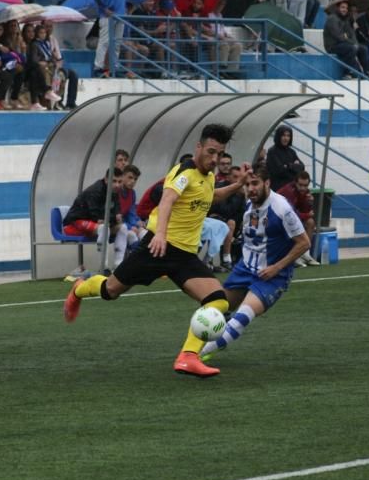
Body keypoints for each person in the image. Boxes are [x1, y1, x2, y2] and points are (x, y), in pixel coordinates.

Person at [63, 124, 252, 379]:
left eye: (219, 154)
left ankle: (188, 357)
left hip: (184, 256)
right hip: (157, 248)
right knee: (111, 291)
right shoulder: (184, 171)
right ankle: (79, 289)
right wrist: (161, 234)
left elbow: (210, 197)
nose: (215, 159)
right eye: (211, 152)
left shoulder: (207, 177)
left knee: (218, 300)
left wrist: (236, 185)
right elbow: (167, 200)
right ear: (198, 147)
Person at [198, 162, 311, 361]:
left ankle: (197, 357)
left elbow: (304, 243)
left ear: (267, 183)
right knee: (212, 311)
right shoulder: (248, 203)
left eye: (255, 184)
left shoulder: (282, 208)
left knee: (242, 317)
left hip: (271, 276)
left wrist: (277, 267)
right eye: (248, 184)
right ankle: (204, 345)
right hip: (244, 269)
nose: (251, 189)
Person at [63, 167, 131, 269]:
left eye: (119, 181)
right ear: (106, 179)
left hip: (95, 225)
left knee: (123, 228)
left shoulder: (115, 191)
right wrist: (114, 218)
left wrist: (117, 216)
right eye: (114, 181)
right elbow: (96, 217)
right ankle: (104, 267)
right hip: (75, 223)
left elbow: (116, 211)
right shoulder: (95, 191)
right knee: (103, 228)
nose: (117, 185)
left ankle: (119, 265)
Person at [277, 170, 320, 267]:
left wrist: (309, 203)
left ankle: (305, 254)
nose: (303, 188)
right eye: (300, 185)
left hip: (290, 217)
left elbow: (306, 211)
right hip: (278, 217)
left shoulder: (305, 192)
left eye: (305, 185)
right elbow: (291, 214)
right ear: (295, 182)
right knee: (295, 223)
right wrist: (307, 215)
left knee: (310, 222)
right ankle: (294, 256)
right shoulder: (289, 191)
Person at [93, 0, 126, 78]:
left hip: (121, 14)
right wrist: (105, 9)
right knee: (104, 41)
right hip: (108, 14)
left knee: (117, 42)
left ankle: (114, 67)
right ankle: (98, 67)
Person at [323, 1, 367, 79]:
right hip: (332, 46)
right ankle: (347, 73)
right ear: (337, 8)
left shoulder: (345, 20)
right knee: (351, 48)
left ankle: (365, 73)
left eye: (346, 8)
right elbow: (338, 36)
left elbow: (351, 35)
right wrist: (352, 43)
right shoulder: (332, 18)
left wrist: (355, 41)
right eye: (343, 7)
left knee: (363, 49)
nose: (345, 10)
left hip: (344, 44)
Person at [266, 124, 304, 192]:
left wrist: (288, 166)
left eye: (288, 136)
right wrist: (294, 167)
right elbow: (280, 171)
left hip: (291, 190)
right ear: (279, 136)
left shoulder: (291, 152)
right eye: (283, 135)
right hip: (278, 190)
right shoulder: (272, 151)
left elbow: (302, 167)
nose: (286, 138)